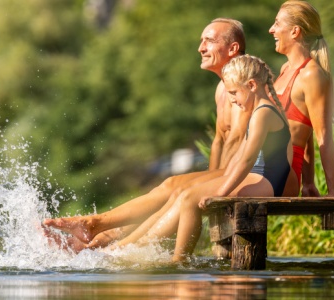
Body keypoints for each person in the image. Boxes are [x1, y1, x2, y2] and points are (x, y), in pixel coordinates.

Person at [43, 18, 256, 250]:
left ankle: (102, 236)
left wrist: (217, 180)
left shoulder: (244, 84)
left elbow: (237, 139)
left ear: (233, 48)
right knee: (172, 184)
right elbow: (220, 140)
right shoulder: (221, 88)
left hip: (247, 174)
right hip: (227, 171)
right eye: (201, 41)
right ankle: (98, 237)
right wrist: (212, 174)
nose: (201, 48)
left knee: (177, 187)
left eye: (209, 41)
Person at [108, 55, 292, 262]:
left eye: (233, 93)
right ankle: (136, 245)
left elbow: (246, 161)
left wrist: (221, 193)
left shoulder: (263, 113)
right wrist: (216, 180)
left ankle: (178, 259)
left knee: (190, 198)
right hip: (256, 178)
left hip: (266, 182)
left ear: (251, 85)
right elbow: (242, 159)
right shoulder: (258, 111)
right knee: (185, 192)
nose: (232, 99)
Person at [271, 0, 334, 197]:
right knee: (180, 186)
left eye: (277, 24)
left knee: (195, 193)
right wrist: (308, 182)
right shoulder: (286, 69)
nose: (271, 30)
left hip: (282, 172)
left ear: (295, 31)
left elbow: (323, 135)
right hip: (265, 163)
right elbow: (304, 126)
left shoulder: (311, 75)